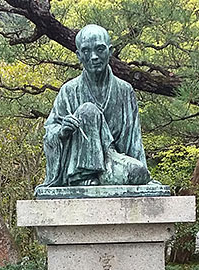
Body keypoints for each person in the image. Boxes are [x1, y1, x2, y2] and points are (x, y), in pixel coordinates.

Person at [40, 24, 151, 187]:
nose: (93, 56)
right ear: (78, 55)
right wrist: (62, 132)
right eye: (86, 51)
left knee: (139, 173)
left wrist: (143, 175)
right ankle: (85, 175)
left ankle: (101, 176)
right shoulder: (69, 91)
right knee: (87, 110)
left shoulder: (124, 90)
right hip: (76, 167)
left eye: (99, 49)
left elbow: (134, 140)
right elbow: (50, 133)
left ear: (110, 51)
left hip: (111, 161)